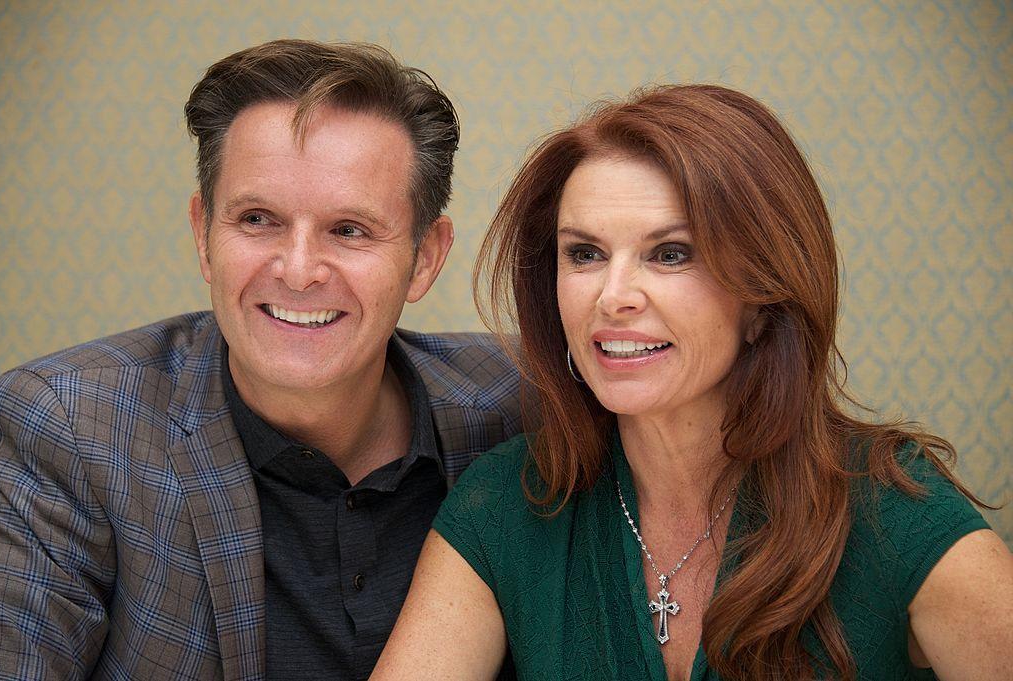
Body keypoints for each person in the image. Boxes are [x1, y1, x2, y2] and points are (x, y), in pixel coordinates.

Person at [372, 84, 1013, 680]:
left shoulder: (892, 510)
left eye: (671, 254)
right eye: (585, 254)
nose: (612, 296)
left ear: (763, 296)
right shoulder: (505, 504)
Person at [0, 40, 525, 680]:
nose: (298, 271)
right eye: (258, 219)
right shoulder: (69, 428)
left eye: (349, 230)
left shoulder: (526, 405)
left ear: (426, 257)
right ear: (203, 235)